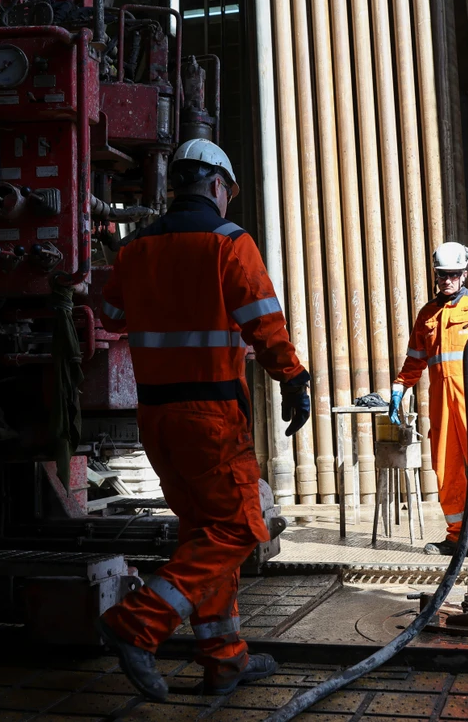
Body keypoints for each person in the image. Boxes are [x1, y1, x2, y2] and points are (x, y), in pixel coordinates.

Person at [95, 138, 311, 701]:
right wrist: (293, 379)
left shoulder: (136, 248)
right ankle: (137, 622)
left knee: (202, 533)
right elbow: (263, 321)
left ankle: (225, 659)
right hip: (209, 416)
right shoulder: (229, 243)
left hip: (157, 417)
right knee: (240, 526)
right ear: (217, 186)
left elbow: (110, 314)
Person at [390, 242, 468, 557]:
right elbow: (415, 359)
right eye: (442, 275)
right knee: (447, 469)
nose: (447, 281)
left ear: (465, 274)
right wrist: (400, 386)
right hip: (441, 404)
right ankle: (460, 539)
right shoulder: (427, 314)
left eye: (454, 275)